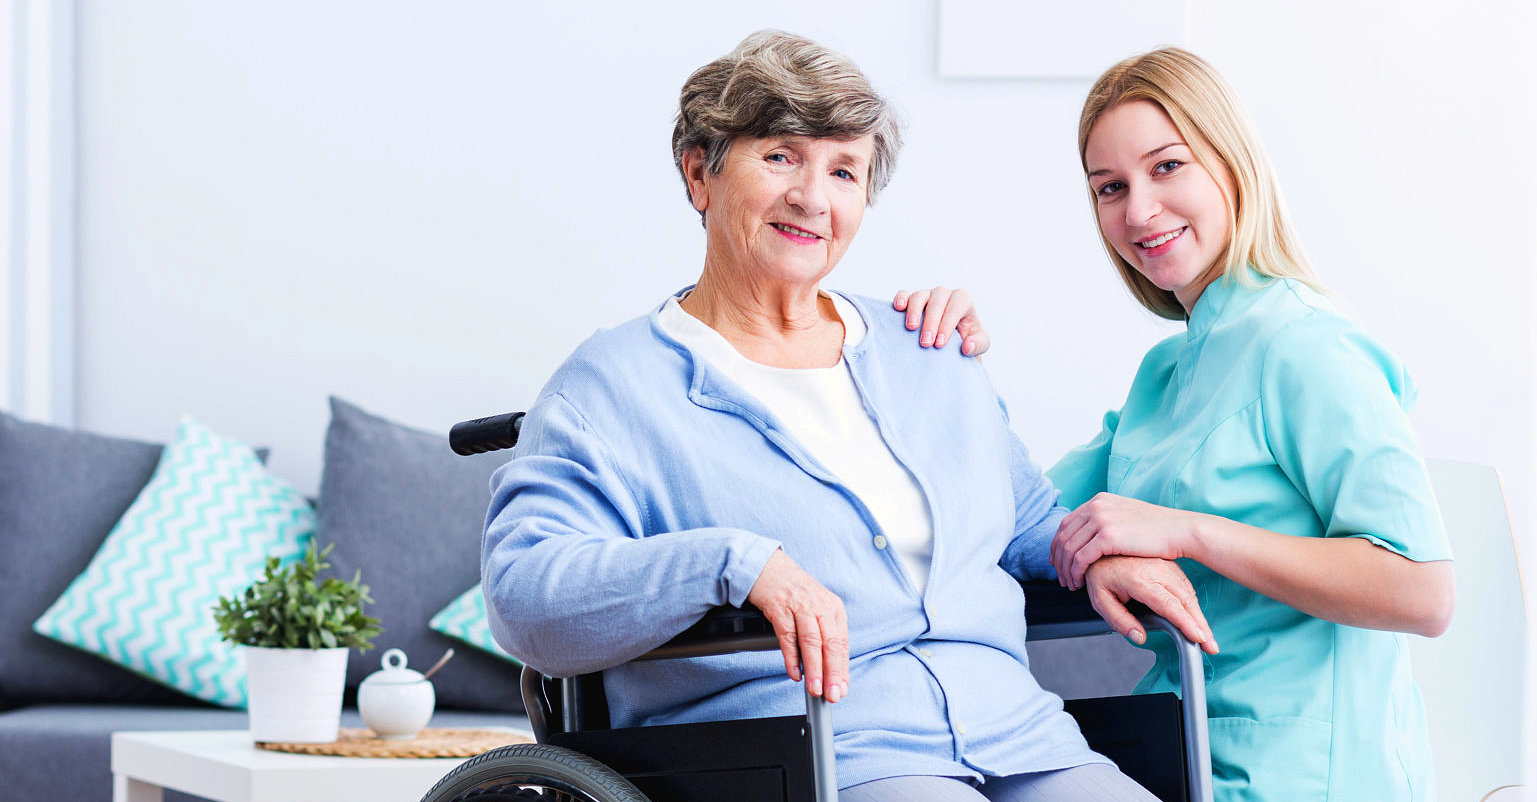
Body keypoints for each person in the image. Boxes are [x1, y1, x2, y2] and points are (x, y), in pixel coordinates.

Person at [483, 31, 1185, 802]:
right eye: (781, 155)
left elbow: (1019, 522)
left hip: (1020, 736)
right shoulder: (613, 387)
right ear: (699, 174)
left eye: (844, 170)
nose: (813, 197)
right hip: (812, 757)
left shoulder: (926, 348)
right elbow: (526, 597)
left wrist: (1089, 552)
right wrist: (732, 564)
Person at [896, 47, 1454, 801]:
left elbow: (1421, 592)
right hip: (1175, 754)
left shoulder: (1306, 346)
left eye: (1166, 167)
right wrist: (937, 360)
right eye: (1110, 187)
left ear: (1229, 162)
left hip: (1308, 774)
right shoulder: (1166, 373)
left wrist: (1190, 533)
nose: (1138, 211)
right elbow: (1016, 517)